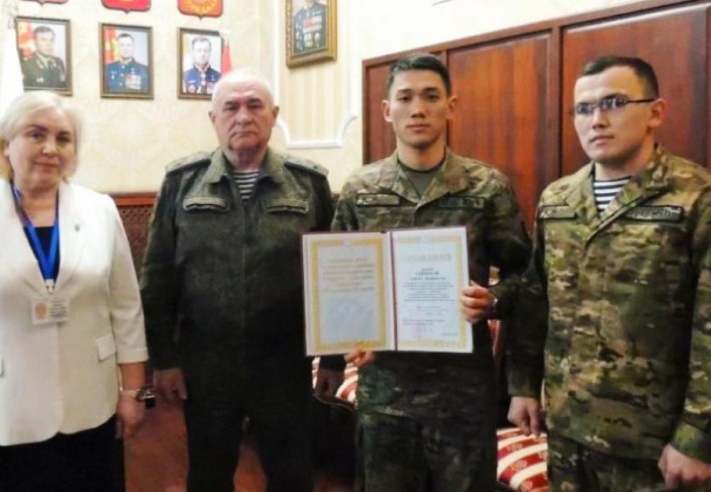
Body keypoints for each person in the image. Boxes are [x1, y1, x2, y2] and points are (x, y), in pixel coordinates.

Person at [508, 55, 711, 491]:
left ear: (655, 112)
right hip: (567, 428)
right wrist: (523, 386)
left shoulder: (696, 198)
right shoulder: (558, 199)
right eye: (583, 109)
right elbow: (534, 301)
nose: (596, 120)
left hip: (654, 444)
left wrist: (698, 435)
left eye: (614, 103)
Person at [335, 53, 531, 491]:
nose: (418, 109)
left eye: (430, 96)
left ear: (450, 106)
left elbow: (528, 278)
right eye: (405, 98)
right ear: (387, 110)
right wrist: (349, 333)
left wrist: (494, 300)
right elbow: (342, 280)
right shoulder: (361, 190)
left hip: (463, 396)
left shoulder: (486, 187)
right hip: (386, 393)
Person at [140, 69, 342, 491]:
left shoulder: (309, 183)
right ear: (213, 118)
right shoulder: (182, 182)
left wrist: (333, 358)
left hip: (286, 363)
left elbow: (335, 276)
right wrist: (163, 359)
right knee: (208, 476)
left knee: (292, 476)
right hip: (206, 365)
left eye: (254, 105)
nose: (243, 116)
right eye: (231, 107)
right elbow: (157, 276)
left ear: (274, 115)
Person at [0, 91, 149, 490]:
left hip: (91, 406)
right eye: (36, 134)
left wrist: (134, 392)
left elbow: (126, 307)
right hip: (2, 413)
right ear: (6, 145)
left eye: (63, 138)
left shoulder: (100, 210)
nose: (50, 148)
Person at [21, 25, 67, 90]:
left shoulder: (59, 62)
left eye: (51, 40)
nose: (49, 44)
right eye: (43, 40)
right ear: (34, 42)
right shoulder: (26, 65)